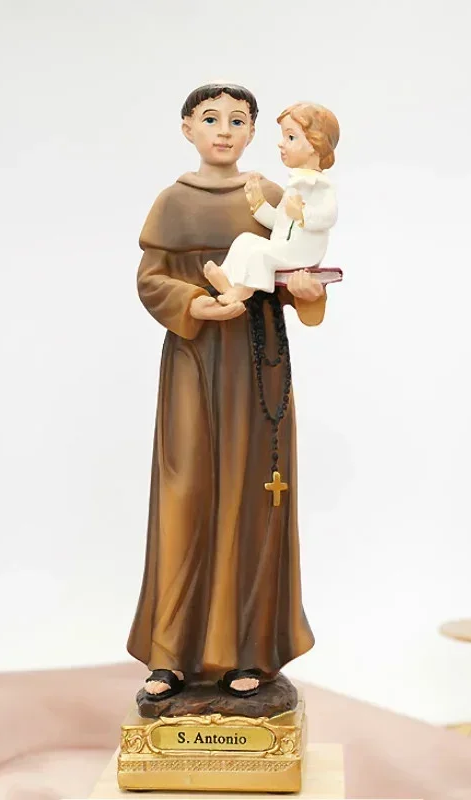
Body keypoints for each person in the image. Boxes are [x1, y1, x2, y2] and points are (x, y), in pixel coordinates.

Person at [126, 83, 327, 700]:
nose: (223, 130)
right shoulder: (172, 201)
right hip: (193, 361)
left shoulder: (271, 196)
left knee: (252, 496)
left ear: (252, 132)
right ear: (187, 127)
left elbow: (298, 272)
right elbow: (152, 278)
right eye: (210, 118)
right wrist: (193, 304)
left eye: (237, 120)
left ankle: (250, 650)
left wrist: (308, 294)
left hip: (258, 362)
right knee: (185, 492)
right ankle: (171, 652)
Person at [203, 102, 340, 305]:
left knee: (260, 255)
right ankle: (226, 278)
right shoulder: (296, 184)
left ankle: (243, 291)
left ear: (314, 145)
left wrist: (302, 214)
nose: (281, 144)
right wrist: (258, 203)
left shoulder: (320, 186)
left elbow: (329, 216)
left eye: (290, 137)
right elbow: (280, 222)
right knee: (245, 240)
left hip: (302, 252)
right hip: (284, 246)